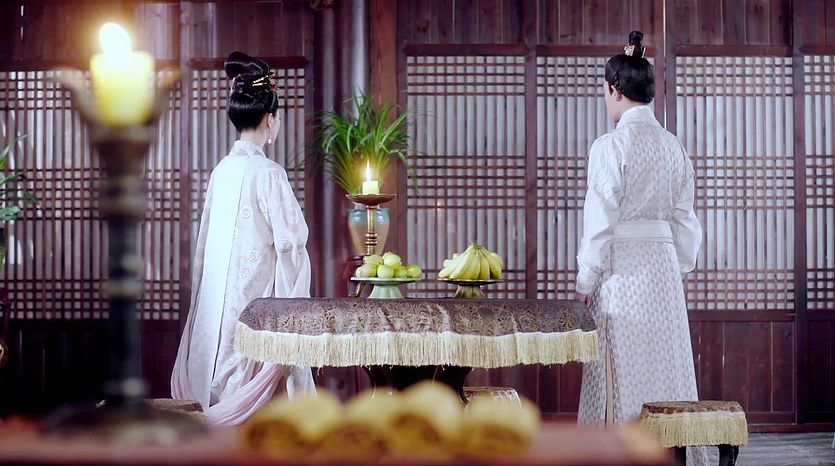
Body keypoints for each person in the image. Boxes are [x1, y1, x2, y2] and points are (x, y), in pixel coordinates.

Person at [574, 31, 707, 465]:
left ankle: (621, 452)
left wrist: (586, 278)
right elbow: (685, 219)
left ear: (614, 90)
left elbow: (601, 220)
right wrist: (678, 263)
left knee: (622, 365)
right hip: (662, 272)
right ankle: (673, 451)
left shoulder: (611, 146)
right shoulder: (673, 147)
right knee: (667, 365)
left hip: (623, 271)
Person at [171, 51, 316, 425]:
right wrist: (293, 296)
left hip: (217, 307)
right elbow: (291, 243)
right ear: (270, 119)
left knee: (217, 372)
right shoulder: (268, 173)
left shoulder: (221, 171)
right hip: (254, 305)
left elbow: (205, 243)